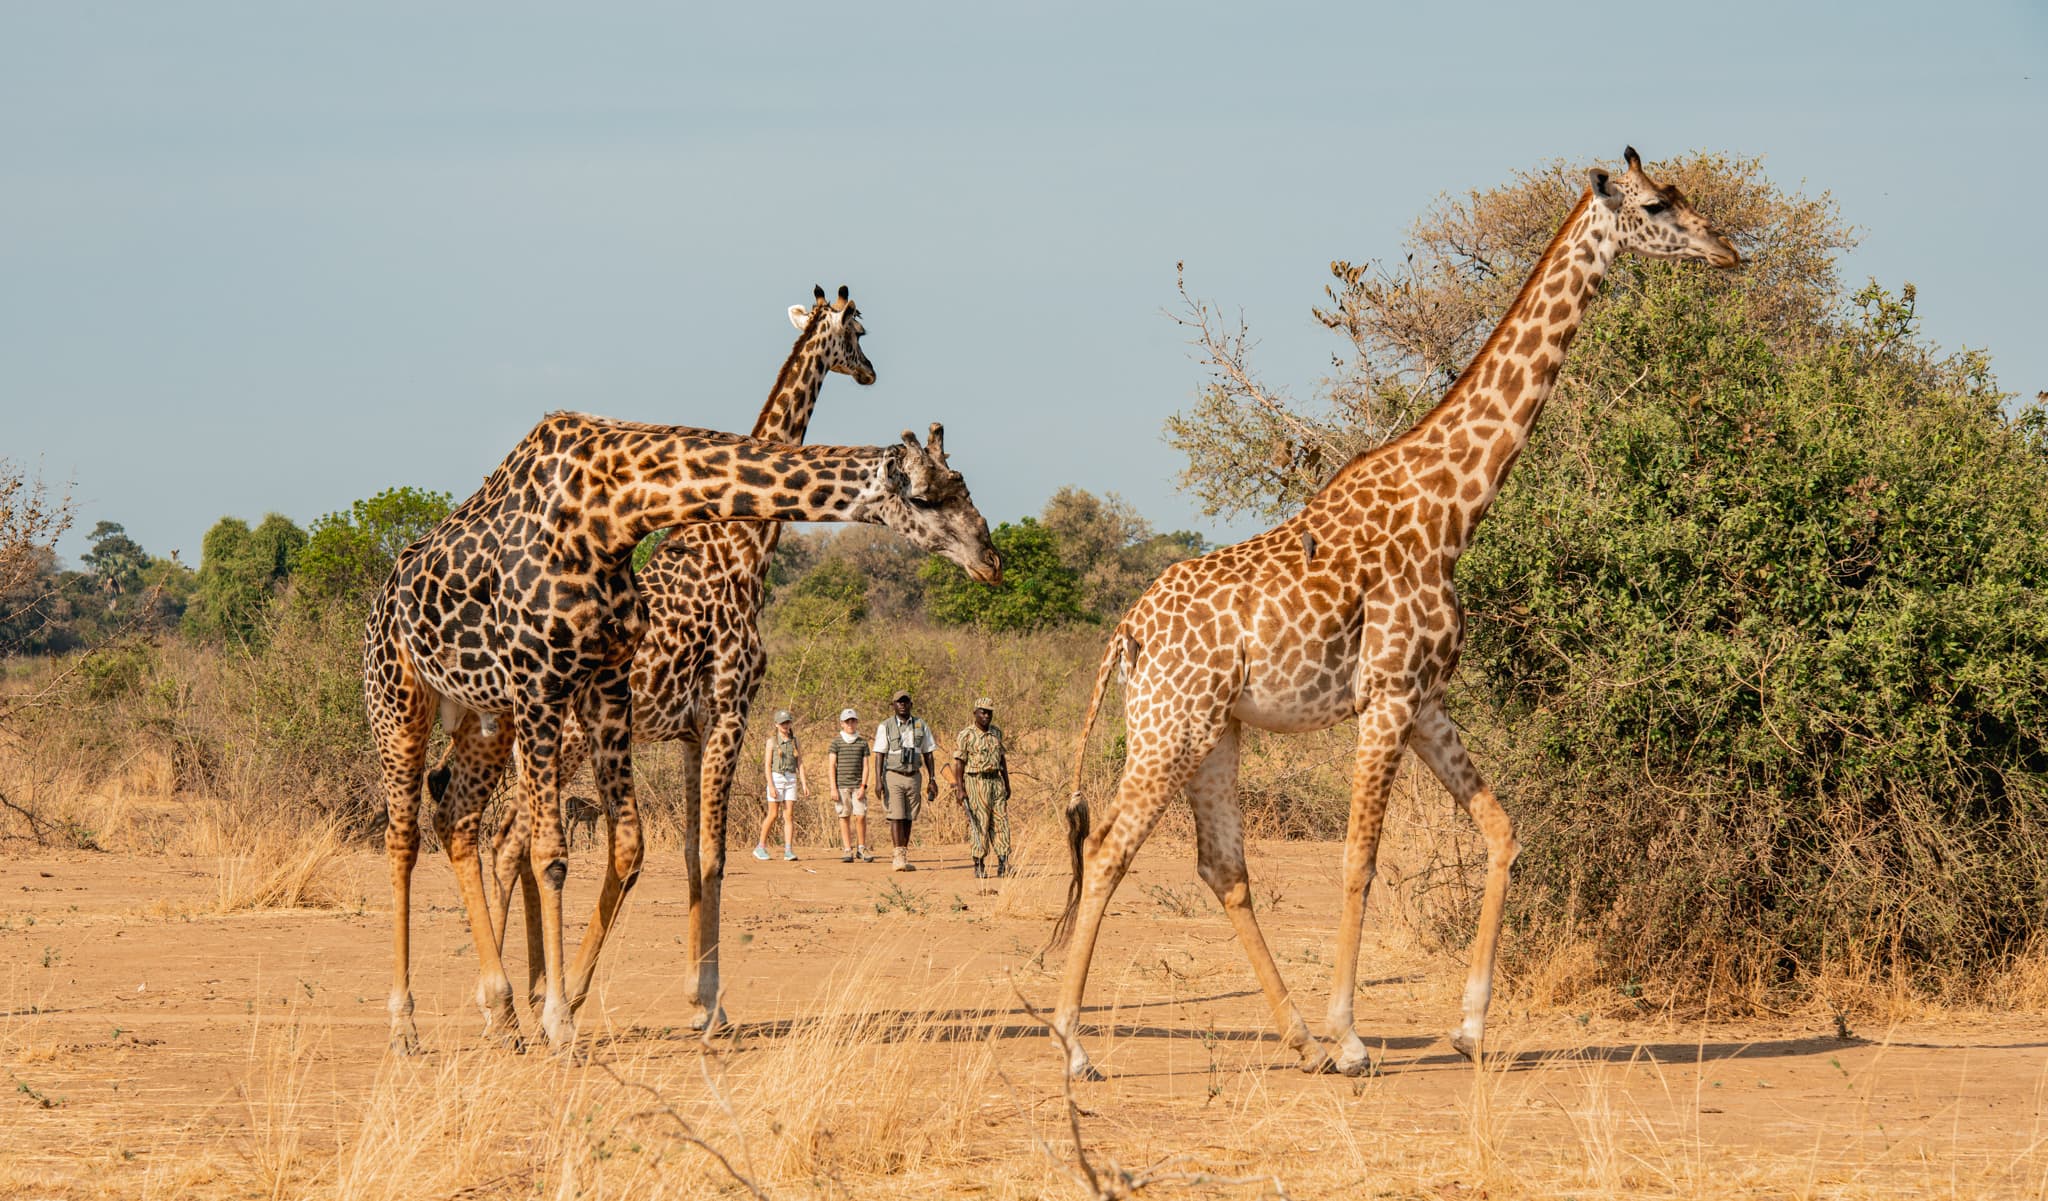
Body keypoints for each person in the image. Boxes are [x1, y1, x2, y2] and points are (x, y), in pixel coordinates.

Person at [870, 689, 936, 872]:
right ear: (893, 705)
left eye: (906, 702)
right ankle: (897, 856)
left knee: (908, 817)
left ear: (911, 704)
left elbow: (928, 753)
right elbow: (879, 754)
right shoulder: (886, 726)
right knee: (896, 816)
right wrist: (878, 781)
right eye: (899, 702)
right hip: (893, 775)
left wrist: (932, 779)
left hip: (914, 775)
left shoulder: (921, 725)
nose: (902, 705)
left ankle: (903, 855)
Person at [951, 697, 1013, 878]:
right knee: (980, 823)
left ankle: (1003, 863)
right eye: (983, 712)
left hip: (996, 781)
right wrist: (960, 789)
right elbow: (959, 762)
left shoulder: (996, 733)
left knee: (1001, 822)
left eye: (989, 712)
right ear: (975, 713)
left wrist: (1007, 783)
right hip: (975, 781)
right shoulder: (966, 735)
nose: (986, 715)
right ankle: (979, 863)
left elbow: (1002, 759)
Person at [753, 710, 807, 861]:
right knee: (773, 814)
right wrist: (770, 785)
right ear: (776, 724)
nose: (786, 725)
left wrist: (804, 783)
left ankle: (788, 850)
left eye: (788, 722)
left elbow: (800, 763)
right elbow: (767, 766)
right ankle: (760, 846)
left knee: (789, 814)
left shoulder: (795, 741)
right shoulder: (772, 741)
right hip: (776, 777)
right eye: (782, 723)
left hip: (791, 777)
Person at [826, 706, 874, 862]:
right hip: (842, 786)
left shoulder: (862, 743)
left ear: (857, 722)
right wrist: (833, 787)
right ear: (842, 723)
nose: (850, 724)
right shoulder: (836, 742)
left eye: (853, 721)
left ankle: (861, 848)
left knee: (860, 815)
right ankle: (847, 849)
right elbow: (832, 765)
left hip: (857, 785)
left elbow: (866, 766)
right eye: (847, 722)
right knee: (844, 815)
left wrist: (863, 786)